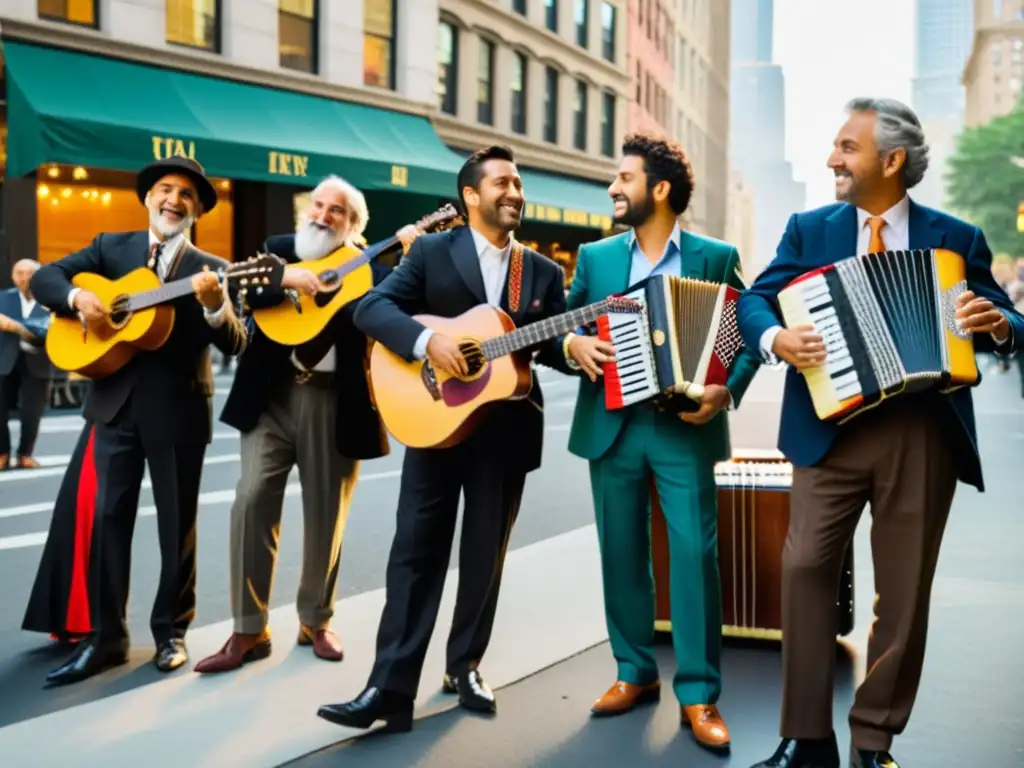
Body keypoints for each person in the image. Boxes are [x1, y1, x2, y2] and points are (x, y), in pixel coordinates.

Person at [737, 98, 1024, 768]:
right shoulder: (810, 229)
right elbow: (754, 298)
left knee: (902, 592)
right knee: (805, 570)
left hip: (920, 433)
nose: (833, 159)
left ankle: (873, 740)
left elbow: (1012, 321)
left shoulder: (957, 239)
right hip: (826, 433)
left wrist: (997, 324)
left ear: (891, 161)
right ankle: (806, 739)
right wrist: (777, 336)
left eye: (846, 147)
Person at [316, 145, 572, 732]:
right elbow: (372, 308)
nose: (514, 192)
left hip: (505, 432)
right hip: (432, 423)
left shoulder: (542, 271)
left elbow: (547, 346)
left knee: (485, 558)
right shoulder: (433, 251)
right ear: (471, 196)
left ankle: (466, 667)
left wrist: (572, 346)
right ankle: (389, 688)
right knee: (414, 558)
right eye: (502, 183)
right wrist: (427, 343)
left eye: (518, 183)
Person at [562, 133, 760, 751]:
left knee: (695, 557)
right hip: (612, 427)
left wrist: (726, 392)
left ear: (661, 188)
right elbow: (567, 327)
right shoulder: (595, 258)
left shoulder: (715, 255)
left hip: (685, 427)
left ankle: (699, 695)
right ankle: (634, 673)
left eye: (625, 178)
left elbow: (749, 332)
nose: (614, 188)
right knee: (620, 552)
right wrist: (574, 346)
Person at [30, 156, 249, 686]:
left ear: (196, 210)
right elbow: (45, 278)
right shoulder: (110, 248)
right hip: (114, 406)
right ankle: (106, 638)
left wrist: (218, 307)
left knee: (177, 528)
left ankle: (171, 632)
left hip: (177, 411)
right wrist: (80, 296)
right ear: (148, 197)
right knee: (108, 523)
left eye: (187, 196)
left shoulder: (214, 268)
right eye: (166, 190)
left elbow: (237, 341)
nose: (174, 200)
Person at [194, 176, 417, 673]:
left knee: (325, 515)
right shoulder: (279, 251)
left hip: (335, 402)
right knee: (251, 499)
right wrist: (285, 279)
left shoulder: (375, 273)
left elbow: (403, 312)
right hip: (270, 398)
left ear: (353, 226)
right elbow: (240, 281)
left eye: (336, 210)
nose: (321, 214)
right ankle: (248, 630)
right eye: (317, 205)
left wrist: (411, 256)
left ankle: (316, 619)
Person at [21, 415, 98, 644]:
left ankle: (172, 633)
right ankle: (78, 616)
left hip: (169, 397)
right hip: (114, 399)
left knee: (177, 512)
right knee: (83, 498)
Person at [0, 258, 53, 469]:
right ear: (13, 276)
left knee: (32, 411)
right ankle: (2, 452)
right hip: (4, 360)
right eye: (18, 273)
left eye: (29, 273)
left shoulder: (51, 300)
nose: (23, 278)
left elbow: (49, 330)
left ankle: (25, 453)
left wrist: (15, 326)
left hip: (37, 361)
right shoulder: (2, 298)